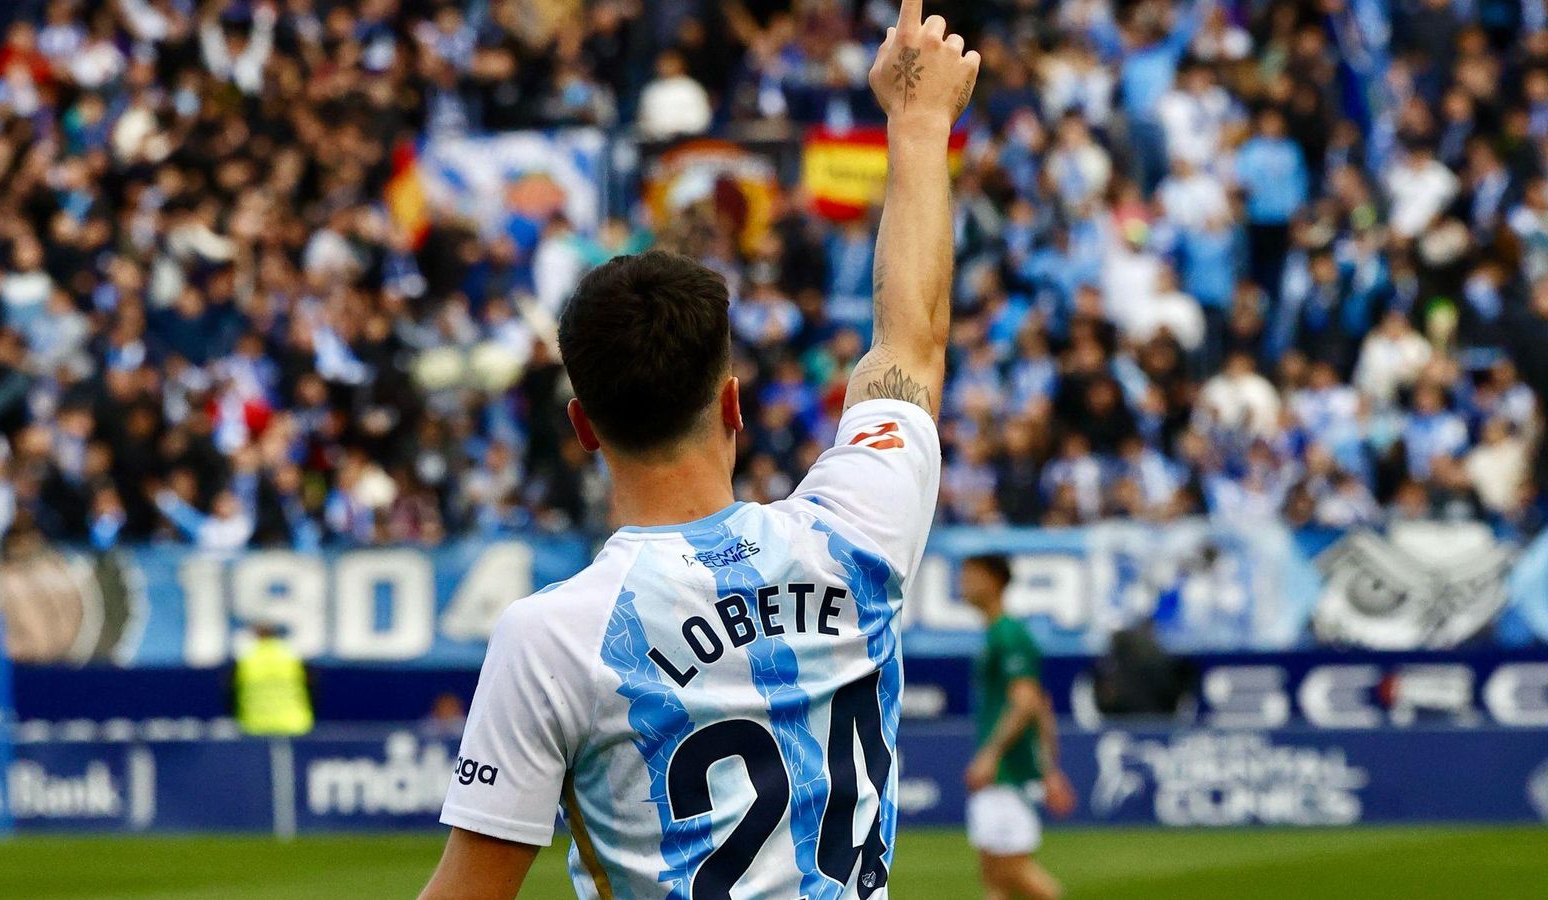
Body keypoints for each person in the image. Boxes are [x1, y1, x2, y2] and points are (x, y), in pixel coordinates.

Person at [420, 3, 976, 897]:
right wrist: (918, 122)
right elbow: (912, 344)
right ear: (733, 403)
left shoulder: (553, 638)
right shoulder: (858, 533)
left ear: (582, 427)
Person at [960, 555, 1075, 900]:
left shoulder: (1008, 634)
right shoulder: (1000, 633)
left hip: (1008, 772)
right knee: (995, 878)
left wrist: (989, 755)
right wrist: (1051, 767)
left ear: (993, 581)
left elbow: (1026, 702)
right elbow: (1041, 703)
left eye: (970, 576)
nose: (962, 584)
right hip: (1008, 772)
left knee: (1011, 870)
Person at [230, 623, 313, 737]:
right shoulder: (290, 657)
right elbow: (310, 686)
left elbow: (232, 691)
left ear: (256, 636)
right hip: (293, 723)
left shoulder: (247, 660)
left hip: (255, 725)